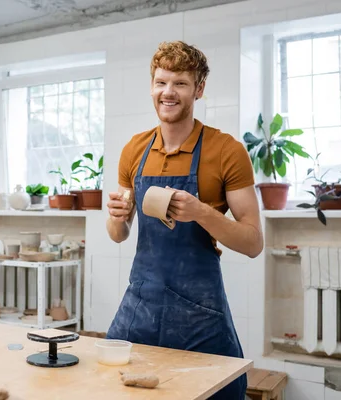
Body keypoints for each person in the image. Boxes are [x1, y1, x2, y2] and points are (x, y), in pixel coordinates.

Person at [105, 41, 264, 399]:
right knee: (111, 386)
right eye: (161, 82)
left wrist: (202, 213)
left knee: (219, 392)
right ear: (152, 86)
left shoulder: (226, 151)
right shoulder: (134, 149)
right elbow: (119, 234)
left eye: (180, 83)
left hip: (200, 313)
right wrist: (116, 217)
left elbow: (254, 243)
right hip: (140, 303)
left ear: (199, 89)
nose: (168, 92)